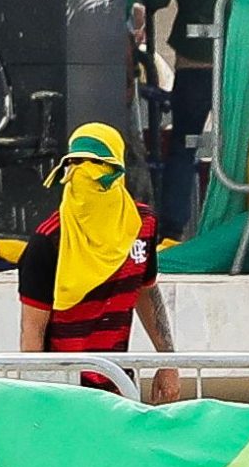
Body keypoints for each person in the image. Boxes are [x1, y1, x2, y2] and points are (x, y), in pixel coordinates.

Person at [19, 123, 182, 405]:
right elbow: (32, 331)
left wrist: (168, 362)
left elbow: (147, 292)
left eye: (97, 165)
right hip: (63, 393)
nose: (85, 173)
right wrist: (36, 401)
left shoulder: (142, 226)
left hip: (118, 386)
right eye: (76, 164)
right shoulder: (49, 241)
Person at [141, 0, 243, 230]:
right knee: (238, 143)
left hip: (193, 65)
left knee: (186, 143)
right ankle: (236, 221)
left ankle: (172, 225)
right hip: (234, 64)